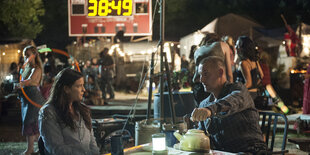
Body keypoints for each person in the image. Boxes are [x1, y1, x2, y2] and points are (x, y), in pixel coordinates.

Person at [190, 56, 267, 154]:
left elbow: (231, 102)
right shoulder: (204, 104)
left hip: (250, 150)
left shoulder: (238, 90)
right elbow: (201, 136)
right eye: (200, 75)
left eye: (206, 74)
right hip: (224, 152)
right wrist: (190, 134)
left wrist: (210, 110)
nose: (201, 80)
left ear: (220, 72)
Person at [38, 68, 100, 154]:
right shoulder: (49, 112)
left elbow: (92, 143)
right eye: (79, 86)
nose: (84, 90)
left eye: (83, 85)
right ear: (66, 89)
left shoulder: (83, 110)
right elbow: (57, 148)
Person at [18, 46, 46, 155]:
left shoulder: (36, 68)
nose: (26, 57)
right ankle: (37, 148)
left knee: (31, 122)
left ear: (34, 55)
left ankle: (31, 150)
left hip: (34, 99)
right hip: (27, 99)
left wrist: (21, 84)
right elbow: (24, 80)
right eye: (25, 55)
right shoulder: (26, 68)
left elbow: (31, 81)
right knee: (30, 122)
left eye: (28, 55)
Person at [192, 33, 233, 104]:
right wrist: (230, 91)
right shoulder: (223, 45)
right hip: (217, 88)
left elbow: (195, 78)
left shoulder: (198, 51)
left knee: (201, 113)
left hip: (200, 87)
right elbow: (229, 74)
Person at [235, 36, 264, 102]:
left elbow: (248, 83)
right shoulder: (255, 61)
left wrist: (235, 91)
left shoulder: (243, 63)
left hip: (246, 94)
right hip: (254, 93)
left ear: (242, 48)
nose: (235, 47)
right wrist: (254, 85)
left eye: (237, 45)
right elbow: (261, 75)